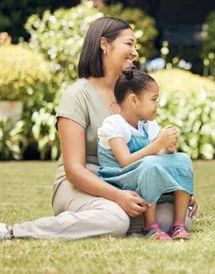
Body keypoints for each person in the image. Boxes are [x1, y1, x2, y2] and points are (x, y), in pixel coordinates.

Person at [0, 17, 198, 240]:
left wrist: (174, 187)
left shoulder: (132, 95)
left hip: (127, 179)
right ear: (104, 44)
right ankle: (13, 231)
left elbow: (149, 153)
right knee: (115, 219)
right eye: (129, 44)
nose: (134, 52)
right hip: (82, 184)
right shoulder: (77, 96)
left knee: (178, 218)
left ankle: (114, 221)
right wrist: (118, 196)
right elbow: (74, 170)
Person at [97, 67, 194, 240]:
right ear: (133, 100)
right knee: (150, 164)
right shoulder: (113, 125)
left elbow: (156, 155)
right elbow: (126, 161)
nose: (157, 105)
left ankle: (178, 224)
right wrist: (158, 143)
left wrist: (168, 148)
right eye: (154, 100)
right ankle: (151, 226)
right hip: (119, 179)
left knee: (183, 159)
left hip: (143, 175)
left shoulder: (147, 125)